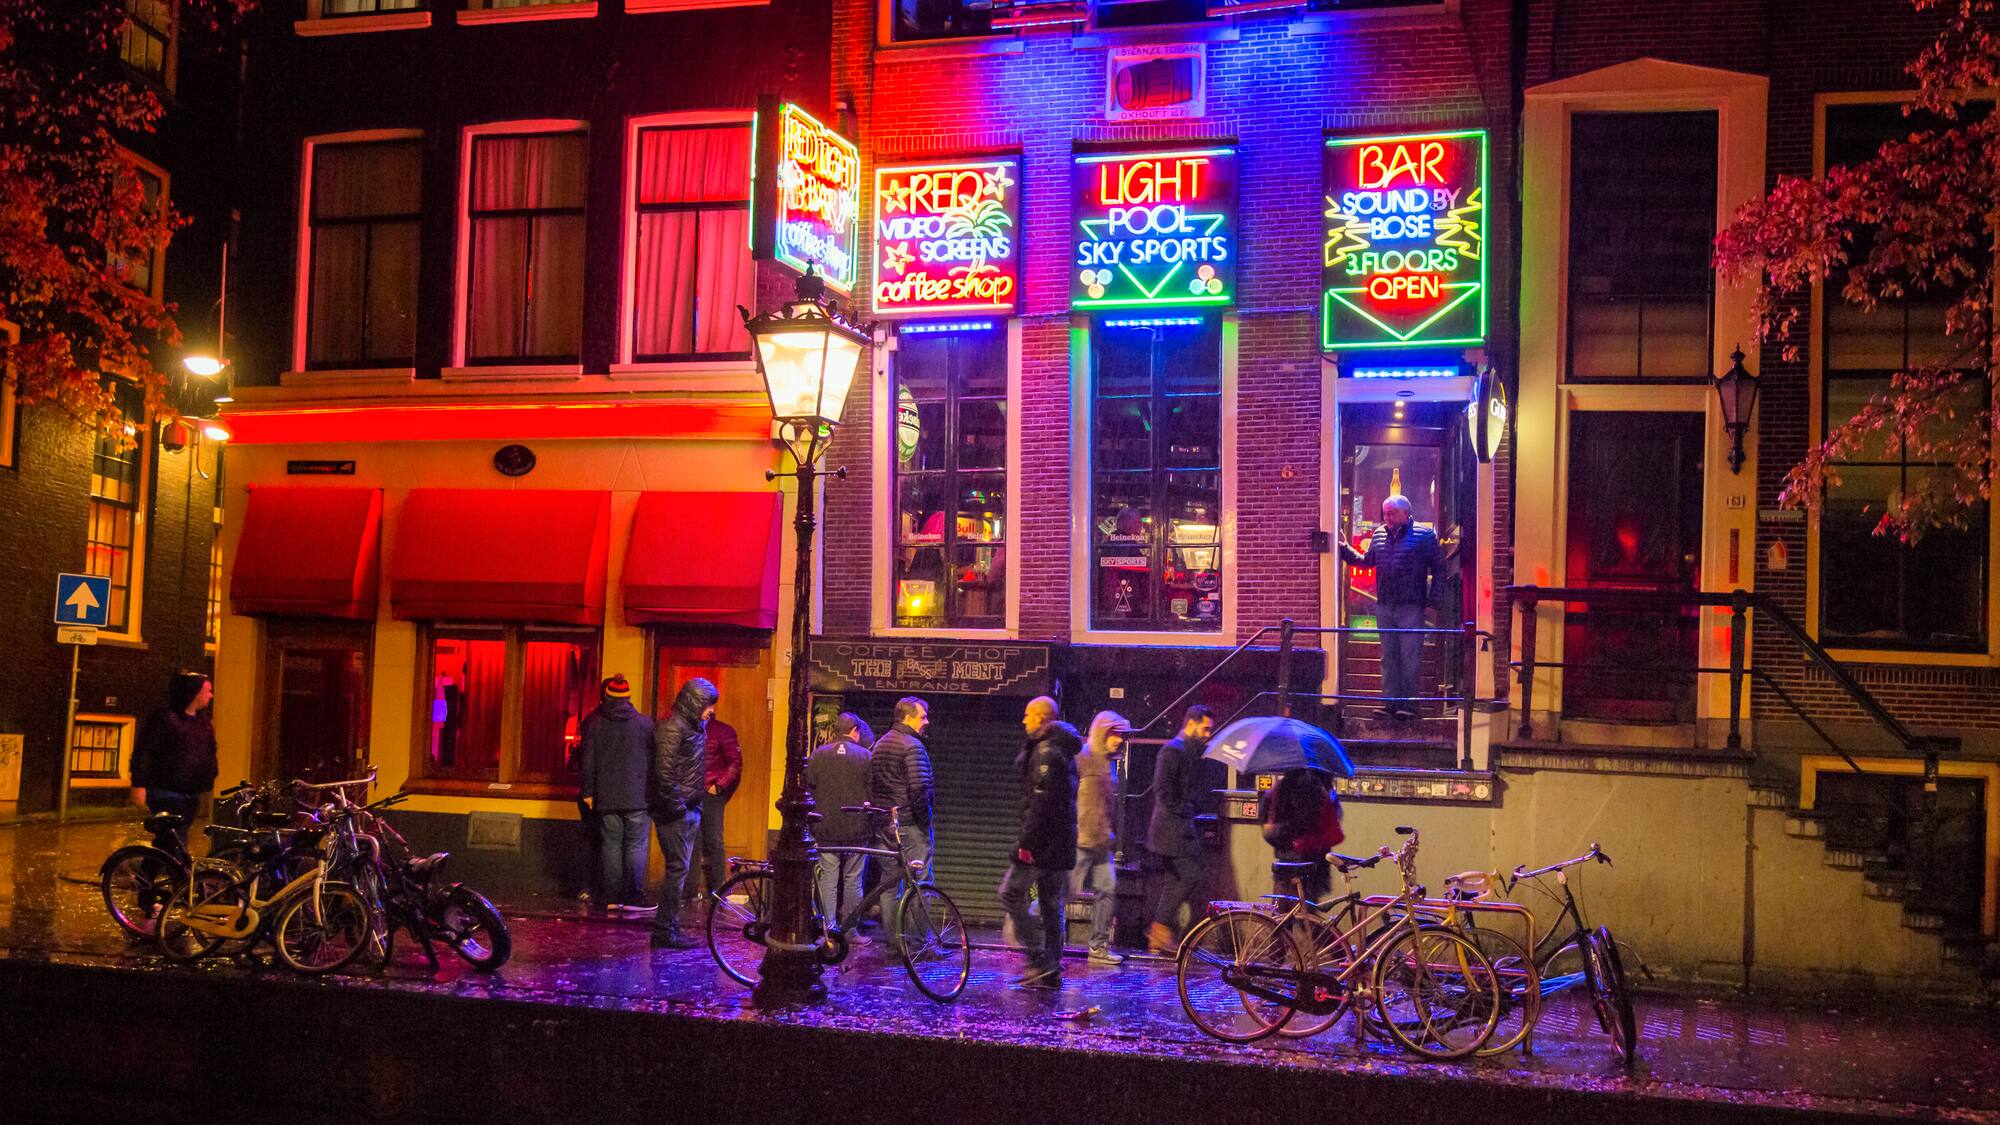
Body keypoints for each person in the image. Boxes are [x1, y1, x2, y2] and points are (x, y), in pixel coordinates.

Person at [999, 695, 1081, 989]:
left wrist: (1026, 844)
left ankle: (1036, 958)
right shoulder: (1063, 750)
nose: (1023, 720)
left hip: (1042, 844)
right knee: (1050, 903)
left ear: (1042, 719)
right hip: (1059, 843)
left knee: (1010, 894)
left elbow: (1040, 803)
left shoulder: (1046, 751)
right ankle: (1051, 968)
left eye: (1028, 715)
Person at [1341, 495, 1444, 721]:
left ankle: (1409, 705)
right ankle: (1390, 703)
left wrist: (1433, 602)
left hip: (1411, 605)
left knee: (1410, 657)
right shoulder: (1379, 534)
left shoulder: (1425, 535)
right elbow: (1367, 562)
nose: (1386, 517)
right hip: (1385, 605)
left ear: (1406, 513)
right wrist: (1345, 550)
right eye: (1385, 512)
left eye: (1391, 513)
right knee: (1389, 656)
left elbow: (1439, 569)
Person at [575, 674, 656, 915]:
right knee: (636, 845)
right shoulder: (645, 724)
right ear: (628, 697)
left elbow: (587, 761)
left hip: (606, 796)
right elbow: (652, 761)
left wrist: (589, 791)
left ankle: (611, 896)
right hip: (638, 796)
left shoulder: (594, 723)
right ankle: (634, 895)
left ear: (606, 697)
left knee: (610, 845)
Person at [649, 677, 718, 949]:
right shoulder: (672, 729)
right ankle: (665, 931)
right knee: (677, 870)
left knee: (679, 870)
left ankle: (668, 929)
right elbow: (663, 774)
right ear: (694, 703)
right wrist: (679, 807)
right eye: (708, 704)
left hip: (688, 808)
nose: (712, 710)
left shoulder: (693, 726)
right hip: (675, 812)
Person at [1146, 704, 1217, 955]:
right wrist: (1186, 808)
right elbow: (1163, 791)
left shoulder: (1188, 752)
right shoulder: (1172, 751)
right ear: (1191, 724)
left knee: (1176, 879)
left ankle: (1159, 936)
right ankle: (1160, 929)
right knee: (1189, 875)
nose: (1208, 734)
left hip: (1177, 827)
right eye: (1205, 728)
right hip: (1171, 829)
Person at [868, 696, 934, 952]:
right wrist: (923, 821)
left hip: (884, 824)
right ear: (908, 718)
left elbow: (871, 784)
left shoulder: (879, 744)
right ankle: (917, 945)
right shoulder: (912, 747)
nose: (926, 721)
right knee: (919, 883)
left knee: (889, 885)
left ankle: (894, 946)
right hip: (909, 825)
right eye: (923, 716)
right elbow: (919, 788)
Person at [128, 672, 217, 851]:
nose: (211, 695)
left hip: (191, 791)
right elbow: (145, 751)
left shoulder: (202, 720)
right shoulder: (164, 718)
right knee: (175, 837)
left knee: (171, 840)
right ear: (194, 693)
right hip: (166, 790)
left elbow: (209, 748)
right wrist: (139, 784)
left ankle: (148, 876)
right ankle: (175, 876)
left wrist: (210, 772)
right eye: (207, 691)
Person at [1073, 710, 1130, 966]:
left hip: (1101, 842)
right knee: (1063, 892)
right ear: (1102, 732)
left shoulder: (1108, 763)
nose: (1119, 739)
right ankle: (1027, 928)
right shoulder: (1082, 758)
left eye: (1122, 735)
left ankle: (1098, 947)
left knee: (1107, 890)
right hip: (1080, 841)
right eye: (1115, 733)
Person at [805, 713, 874, 921]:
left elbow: (808, 787)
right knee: (853, 880)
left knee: (828, 878)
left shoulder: (818, 754)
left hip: (826, 827)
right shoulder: (866, 756)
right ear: (855, 731)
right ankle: (850, 929)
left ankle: (829, 929)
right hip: (857, 828)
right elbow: (873, 791)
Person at [1259, 767, 1344, 902]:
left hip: (1286, 861)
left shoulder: (1279, 789)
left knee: (1282, 913)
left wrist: (1286, 839)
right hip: (1314, 859)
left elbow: (1265, 822)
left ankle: (1280, 922)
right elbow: (1336, 815)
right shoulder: (1322, 787)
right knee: (1307, 913)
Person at [691, 714, 743, 903]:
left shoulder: (720, 730)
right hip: (699, 790)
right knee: (700, 841)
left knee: (709, 840)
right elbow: (735, 762)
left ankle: (714, 889)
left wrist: (718, 786)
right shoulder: (721, 730)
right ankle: (705, 889)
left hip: (705, 790)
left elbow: (735, 763)